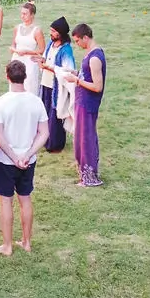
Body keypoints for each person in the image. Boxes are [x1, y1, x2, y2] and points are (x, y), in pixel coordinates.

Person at [0, 58, 49, 255]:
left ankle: (7, 246)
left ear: (7, 77)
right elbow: (44, 133)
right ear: (24, 77)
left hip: (5, 160)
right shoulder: (36, 101)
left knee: (6, 201)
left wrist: (14, 157)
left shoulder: (1, 103)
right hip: (28, 160)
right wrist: (27, 155)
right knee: (25, 199)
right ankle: (26, 242)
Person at [60, 23, 106, 187]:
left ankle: (90, 177)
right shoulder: (90, 53)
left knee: (86, 139)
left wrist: (77, 80)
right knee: (81, 138)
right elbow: (87, 76)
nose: (77, 44)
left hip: (87, 104)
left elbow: (97, 86)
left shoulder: (94, 58)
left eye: (78, 41)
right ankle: (84, 172)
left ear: (86, 37)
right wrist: (76, 74)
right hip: (82, 102)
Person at [40, 15, 75, 153]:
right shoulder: (50, 44)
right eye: (51, 30)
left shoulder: (66, 50)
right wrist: (40, 60)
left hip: (57, 86)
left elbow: (67, 70)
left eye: (54, 31)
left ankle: (55, 144)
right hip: (46, 83)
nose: (51, 33)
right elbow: (46, 57)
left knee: (55, 113)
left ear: (60, 33)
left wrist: (48, 67)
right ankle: (45, 139)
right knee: (45, 112)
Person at [11, 1, 45, 96]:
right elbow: (13, 44)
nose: (22, 16)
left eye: (25, 14)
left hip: (30, 61)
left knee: (29, 86)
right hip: (17, 59)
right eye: (22, 13)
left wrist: (27, 52)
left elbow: (42, 50)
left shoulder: (37, 31)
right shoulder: (17, 28)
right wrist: (15, 50)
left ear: (32, 15)